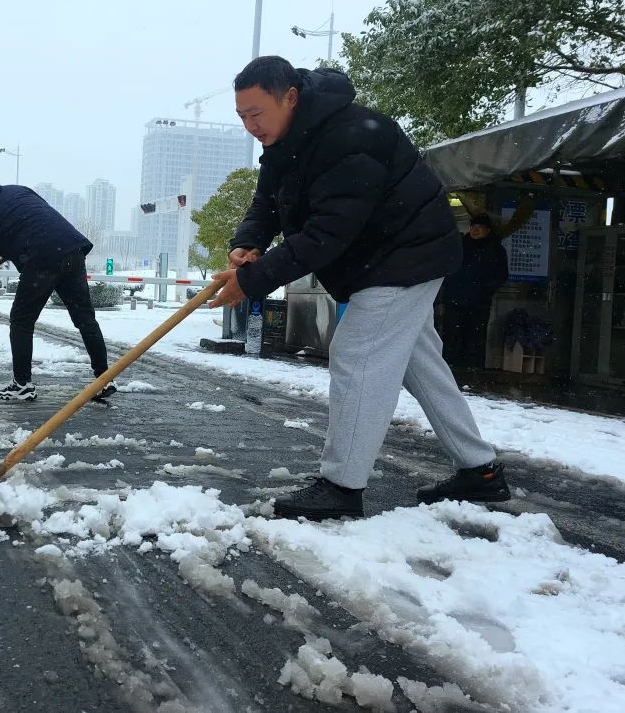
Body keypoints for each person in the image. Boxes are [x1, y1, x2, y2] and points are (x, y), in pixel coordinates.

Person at [211, 56, 510, 521]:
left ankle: (342, 486)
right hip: (385, 259)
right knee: (420, 365)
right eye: (242, 116)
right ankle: (480, 471)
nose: (251, 126)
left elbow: (329, 232)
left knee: (358, 357)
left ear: (290, 97)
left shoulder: (349, 137)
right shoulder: (285, 138)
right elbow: (268, 200)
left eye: (256, 114)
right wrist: (248, 243)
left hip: (403, 255)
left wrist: (251, 281)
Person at [0, 176, 114, 402]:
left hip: (44, 258)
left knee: (21, 320)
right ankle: (104, 378)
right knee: (85, 319)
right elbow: (34, 220)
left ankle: (22, 385)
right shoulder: (16, 191)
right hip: (71, 248)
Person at [439, 214, 509, 369]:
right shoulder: (458, 245)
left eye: (480, 227)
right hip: (455, 299)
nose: (475, 230)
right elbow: (446, 267)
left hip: (479, 303)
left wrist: (485, 289)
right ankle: (449, 367)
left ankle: (472, 370)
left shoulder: (495, 249)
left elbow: (502, 275)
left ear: (488, 230)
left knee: (475, 338)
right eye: (473, 226)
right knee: (452, 336)